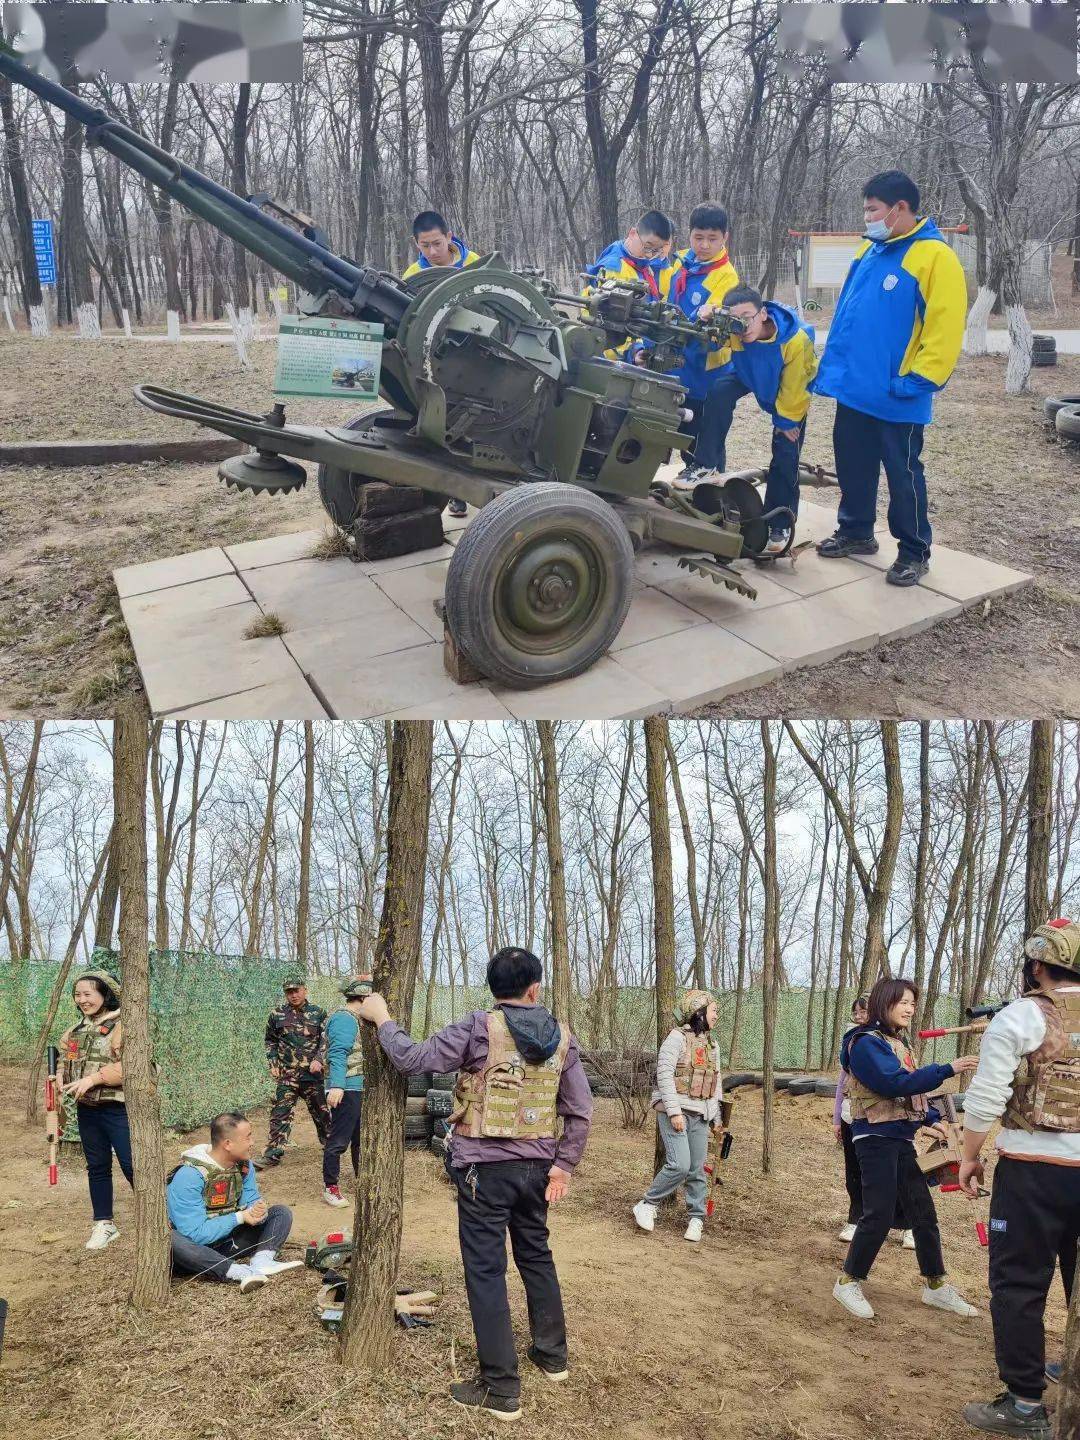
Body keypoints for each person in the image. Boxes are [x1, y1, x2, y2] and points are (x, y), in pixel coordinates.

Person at [355, 945, 593, 1422]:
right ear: (535, 988)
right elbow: (580, 1110)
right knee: (536, 1256)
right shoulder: (564, 1039)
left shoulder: (477, 1028)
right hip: (537, 1170)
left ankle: (501, 1388)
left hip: (484, 1171)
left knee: (486, 1270)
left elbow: (412, 1059)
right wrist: (563, 1165)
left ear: (495, 990)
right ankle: (552, 1356)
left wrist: (381, 1018)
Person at [811, 169, 967, 587]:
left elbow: (946, 327)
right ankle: (856, 530)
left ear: (900, 208)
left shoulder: (935, 257)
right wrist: (835, 371)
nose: (868, 218)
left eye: (872, 209)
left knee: (903, 475)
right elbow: (848, 316)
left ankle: (915, 551)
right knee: (854, 464)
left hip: (899, 392)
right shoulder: (870, 252)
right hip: (856, 389)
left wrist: (918, 380)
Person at [959, 919, 1080, 1440]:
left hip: (1032, 1173)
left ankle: (1026, 1404)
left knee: (1019, 1285)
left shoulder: (1021, 1016)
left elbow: (985, 1097)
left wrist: (969, 1155)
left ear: (1037, 966)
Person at [833, 975, 979, 1321]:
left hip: (899, 1139)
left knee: (923, 1214)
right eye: (904, 1002)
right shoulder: (865, 1043)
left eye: (913, 1003)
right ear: (884, 1003)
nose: (910, 1009)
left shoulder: (897, 1043)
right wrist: (948, 1069)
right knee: (879, 1214)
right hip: (874, 1140)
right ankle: (848, 1281)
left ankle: (936, 1285)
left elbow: (907, 1095)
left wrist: (931, 1118)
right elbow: (893, 1083)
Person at [689, 284, 817, 556]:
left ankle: (779, 523)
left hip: (786, 391)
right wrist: (700, 317)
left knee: (785, 455)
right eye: (736, 318)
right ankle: (705, 464)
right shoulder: (732, 328)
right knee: (719, 391)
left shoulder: (795, 340)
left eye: (748, 316)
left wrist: (786, 420)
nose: (743, 324)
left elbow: (797, 385)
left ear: (763, 314)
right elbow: (699, 340)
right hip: (748, 375)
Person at [167, 1111, 303, 1292]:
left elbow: (251, 1199)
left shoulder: (245, 1166)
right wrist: (239, 1217)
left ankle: (262, 1261)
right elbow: (194, 1234)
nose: (252, 1143)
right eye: (247, 1138)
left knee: (280, 1213)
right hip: (195, 1252)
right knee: (171, 1239)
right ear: (228, 1144)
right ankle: (236, 1271)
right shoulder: (189, 1176)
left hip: (228, 1242)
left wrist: (257, 1210)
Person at [632, 989, 725, 1243]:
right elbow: (664, 1076)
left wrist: (716, 1118)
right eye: (713, 1010)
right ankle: (648, 1204)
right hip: (677, 1111)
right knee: (680, 1164)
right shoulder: (675, 1038)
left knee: (696, 1170)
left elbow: (716, 1082)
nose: (717, 1015)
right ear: (699, 1012)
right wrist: (674, 1111)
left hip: (702, 1113)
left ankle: (696, 1218)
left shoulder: (712, 1044)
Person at [661, 203, 740, 483]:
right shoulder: (679, 263)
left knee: (706, 440)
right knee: (682, 431)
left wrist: (709, 315)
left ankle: (715, 493)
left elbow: (715, 327)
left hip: (706, 372)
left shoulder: (726, 276)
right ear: (689, 234)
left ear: (725, 238)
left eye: (712, 238)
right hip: (675, 367)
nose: (704, 245)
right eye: (698, 237)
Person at [59, 967, 132, 1251]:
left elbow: (133, 1066)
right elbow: (67, 1061)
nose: (82, 1000)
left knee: (132, 1165)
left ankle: (164, 1217)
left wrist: (93, 1079)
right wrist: (58, 1077)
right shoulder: (76, 1030)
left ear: (105, 994)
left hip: (118, 1109)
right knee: (97, 1167)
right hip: (87, 1110)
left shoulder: (123, 1025)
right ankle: (104, 1223)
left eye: (88, 994)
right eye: (78, 995)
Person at [833, 994, 913, 1248]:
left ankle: (907, 1225)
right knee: (854, 1173)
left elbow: (902, 1081)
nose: (859, 1017)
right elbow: (842, 1084)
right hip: (854, 1117)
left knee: (899, 1175)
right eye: (855, 1013)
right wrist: (837, 1118)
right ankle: (855, 1220)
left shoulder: (896, 1043)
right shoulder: (855, 1043)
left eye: (863, 1012)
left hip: (891, 1121)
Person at [255, 976, 329, 1169]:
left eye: (297, 990)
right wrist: (273, 1063)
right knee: (280, 1113)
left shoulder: (318, 1013)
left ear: (305, 990)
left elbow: (326, 1040)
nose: (293, 995)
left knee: (321, 1112)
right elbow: (270, 1040)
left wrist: (319, 1059)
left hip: (312, 1075)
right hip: (287, 1075)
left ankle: (331, 1145)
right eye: (289, 992)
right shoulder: (277, 1014)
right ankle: (272, 1154)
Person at [321, 974, 372, 1208]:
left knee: (360, 1139)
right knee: (339, 1141)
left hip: (357, 1088)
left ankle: (363, 1181)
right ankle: (330, 1187)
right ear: (363, 997)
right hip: (347, 1088)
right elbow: (338, 1053)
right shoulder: (344, 1019)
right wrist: (337, 1085)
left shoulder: (357, 1018)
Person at [583, 210, 680, 299]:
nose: (650, 255)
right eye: (647, 247)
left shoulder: (638, 262)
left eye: (655, 251)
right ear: (632, 233)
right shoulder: (615, 268)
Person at [402, 211, 480, 280]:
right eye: (425, 246)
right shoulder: (412, 276)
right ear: (416, 242)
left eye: (437, 243)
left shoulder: (474, 262)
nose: (433, 252)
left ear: (448, 237)